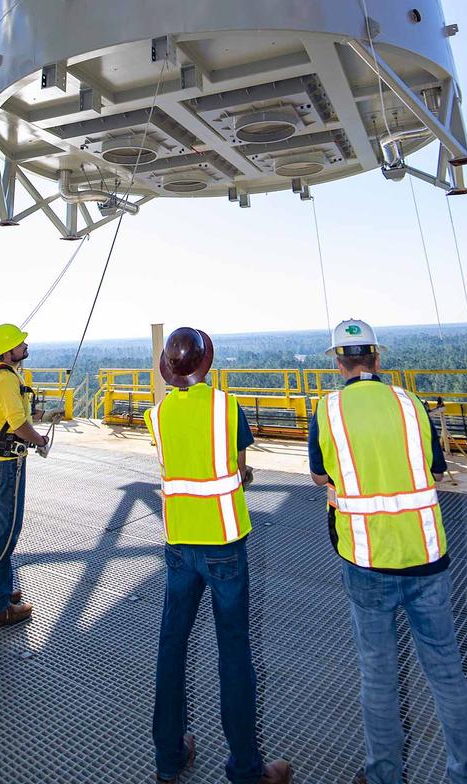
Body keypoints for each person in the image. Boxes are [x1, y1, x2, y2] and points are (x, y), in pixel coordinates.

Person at [309, 318, 467, 784]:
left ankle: (383, 774)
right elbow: (435, 468)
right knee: (447, 670)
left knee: (377, 676)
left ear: (337, 361)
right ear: (377, 357)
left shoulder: (327, 411)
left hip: (366, 558)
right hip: (425, 552)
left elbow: (320, 476)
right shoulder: (411, 404)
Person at [144, 326, 292, 784]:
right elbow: (238, 467)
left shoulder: (158, 414)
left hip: (179, 544)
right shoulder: (227, 408)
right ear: (207, 365)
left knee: (171, 646)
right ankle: (247, 769)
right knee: (234, 652)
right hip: (224, 544)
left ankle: (169, 756)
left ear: (169, 370)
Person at [0, 323, 51, 632]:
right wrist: (40, 440)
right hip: (8, 465)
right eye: (20, 344)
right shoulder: (6, 379)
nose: (24, 347)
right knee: (5, 532)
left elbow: (11, 417)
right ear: (9, 351)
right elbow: (18, 424)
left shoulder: (1, 375)